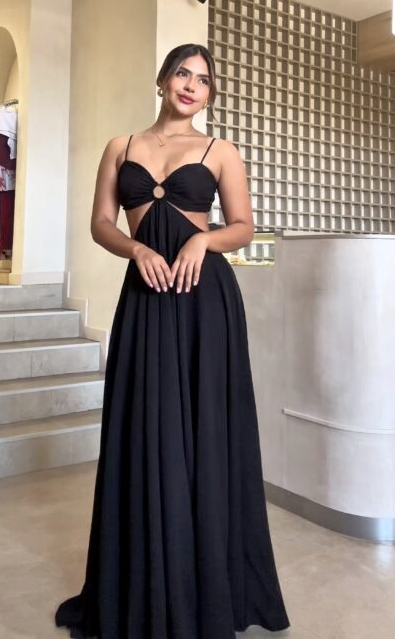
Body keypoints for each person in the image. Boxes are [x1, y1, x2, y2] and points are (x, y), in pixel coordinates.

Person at [55, 43, 290, 638]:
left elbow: (243, 227)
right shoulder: (121, 147)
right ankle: (143, 582)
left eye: (203, 80)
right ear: (162, 80)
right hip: (145, 295)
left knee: (205, 431)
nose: (191, 85)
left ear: (209, 95)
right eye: (182, 73)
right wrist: (136, 249)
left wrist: (201, 241)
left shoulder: (219, 151)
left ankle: (204, 587)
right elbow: (101, 223)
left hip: (205, 300)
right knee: (143, 426)